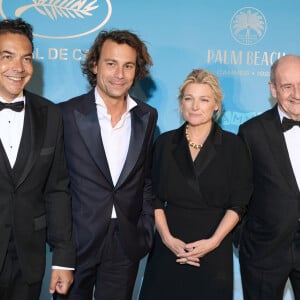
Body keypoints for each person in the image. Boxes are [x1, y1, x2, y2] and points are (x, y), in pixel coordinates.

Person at [55, 29, 158, 300]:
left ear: (137, 71)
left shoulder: (147, 117)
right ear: (94, 65)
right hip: (77, 240)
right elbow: (56, 184)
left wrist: (145, 227)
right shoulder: (66, 114)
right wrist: (62, 246)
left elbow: (145, 179)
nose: (119, 74)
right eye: (111, 63)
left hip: (126, 240)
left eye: (128, 66)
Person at [139, 69, 252, 300]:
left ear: (216, 105)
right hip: (169, 246)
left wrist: (213, 242)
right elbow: (155, 197)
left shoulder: (233, 146)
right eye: (188, 99)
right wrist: (168, 239)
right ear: (181, 103)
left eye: (204, 100)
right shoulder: (165, 142)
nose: (195, 106)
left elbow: (239, 203)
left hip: (213, 247)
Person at [0, 18, 75, 300]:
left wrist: (63, 258)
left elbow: (57, 189)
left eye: (26, 58)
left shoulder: (50, 114)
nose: (18, 68)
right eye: (7, 57)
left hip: (28, 261)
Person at [237, 54, 300, 300]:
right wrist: (242, 238)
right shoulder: (251, 132)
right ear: (273, 89)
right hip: (264, 251)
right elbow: (239, 191)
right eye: (287, 86)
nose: (296, 93)